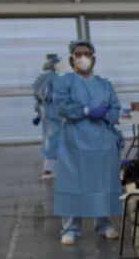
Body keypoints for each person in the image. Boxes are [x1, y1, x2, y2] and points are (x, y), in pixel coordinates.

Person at [52, 40, 123, 246]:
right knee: (74, 182)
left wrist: (107, 115)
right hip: (75, 141)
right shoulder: (65, 82)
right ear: (72, 58)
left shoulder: (104, 84)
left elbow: (115, 107)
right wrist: (84, 111)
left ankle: (104, 224)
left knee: (102, 182)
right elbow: (62, 106)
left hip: (102, 141)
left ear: (94, 58)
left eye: (87, 54)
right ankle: (71, 228)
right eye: (79, 54)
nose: (83, 57)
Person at [32, 53, 62, 180]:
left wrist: (39, 114)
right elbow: (58, 97)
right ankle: (48, 171)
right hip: (55, 114)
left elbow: (37, 97)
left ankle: (50, 169)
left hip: (46, 114)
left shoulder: (40, 79)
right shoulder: (54, 79)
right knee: (55, 140)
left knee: (49, 139)